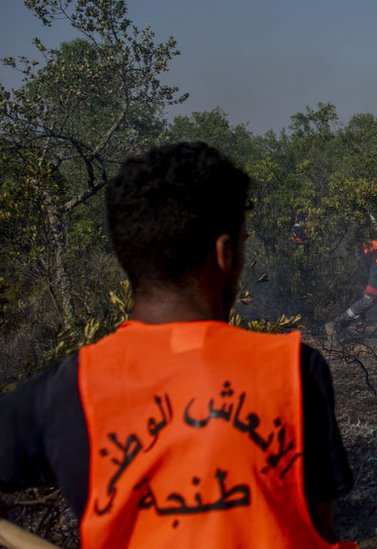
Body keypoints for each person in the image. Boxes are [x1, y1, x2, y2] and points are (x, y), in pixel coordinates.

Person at [0, 142, 356, 548]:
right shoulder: (292, 369)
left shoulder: (66, 389)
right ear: (225, 255)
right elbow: (320, 527)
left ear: (125, 257)